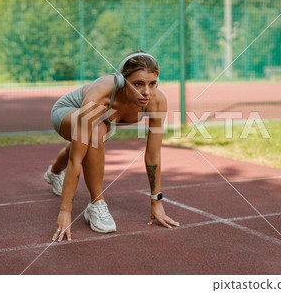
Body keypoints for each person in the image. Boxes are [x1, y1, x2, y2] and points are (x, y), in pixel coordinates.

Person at [44, 51, 179, 242]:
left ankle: (54, 173)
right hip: (66, 112)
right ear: (122, 81)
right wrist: (65, 210)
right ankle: (96, 204)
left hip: (98, 122)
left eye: (152, 83)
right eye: (138, 84)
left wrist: (156, 202)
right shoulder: (102, 94)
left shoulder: (156, 101)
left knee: (87, 142)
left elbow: (153, 155)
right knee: (92, 135)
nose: (146, 92)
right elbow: (76, 159)